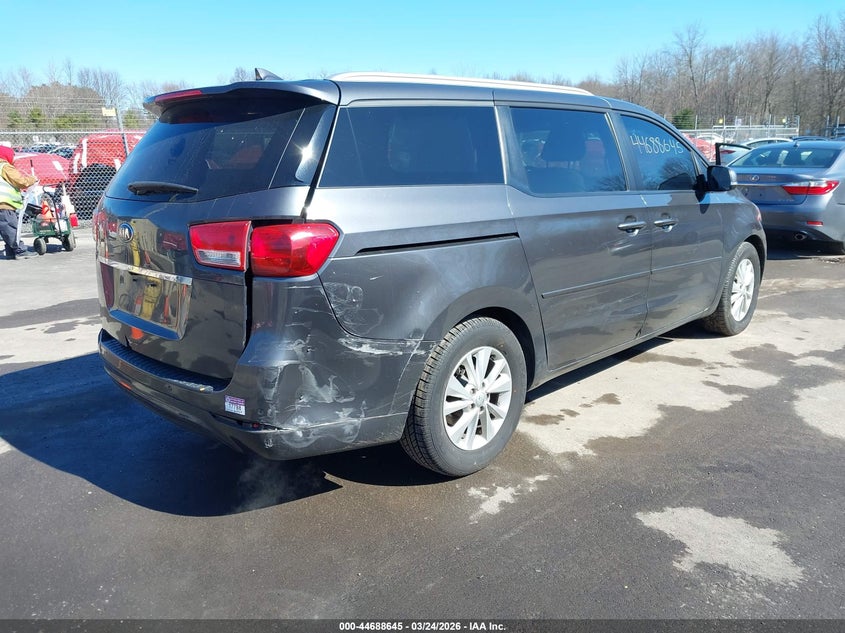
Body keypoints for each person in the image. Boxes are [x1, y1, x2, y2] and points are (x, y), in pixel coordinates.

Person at [0, 145, 37, 259]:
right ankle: (20, 250)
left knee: (5, 228)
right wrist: (32, 179)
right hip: (5, 203)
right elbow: (20, 181)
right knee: (10, 227)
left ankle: (10, 250)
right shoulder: (5, 167)